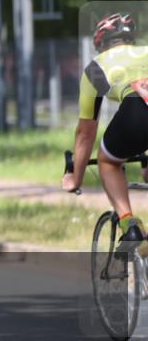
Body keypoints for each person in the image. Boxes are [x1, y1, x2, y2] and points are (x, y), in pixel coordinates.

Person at [62, 13, 148, 253]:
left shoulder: (96, 68)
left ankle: (129, 224)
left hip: (137, 110)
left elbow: (86, 132)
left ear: (100, 44)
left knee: (108, 161)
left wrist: (76, 177)